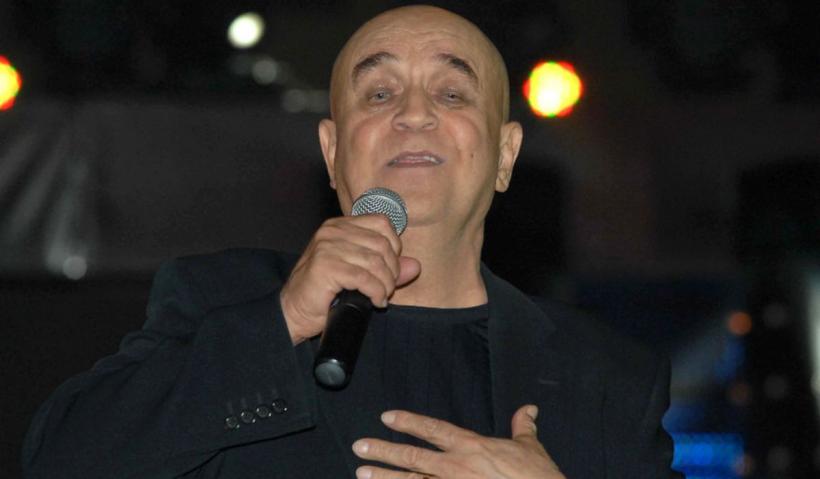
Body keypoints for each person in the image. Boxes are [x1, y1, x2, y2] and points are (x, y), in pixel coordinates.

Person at [23, 5, 682, 478]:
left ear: (506, 155)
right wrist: (282, 320)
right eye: (380, 92)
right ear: (333, 153)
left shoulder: (605, 377)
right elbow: (59, 460)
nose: (414, 113)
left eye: (452, 92)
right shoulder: (222, 301)